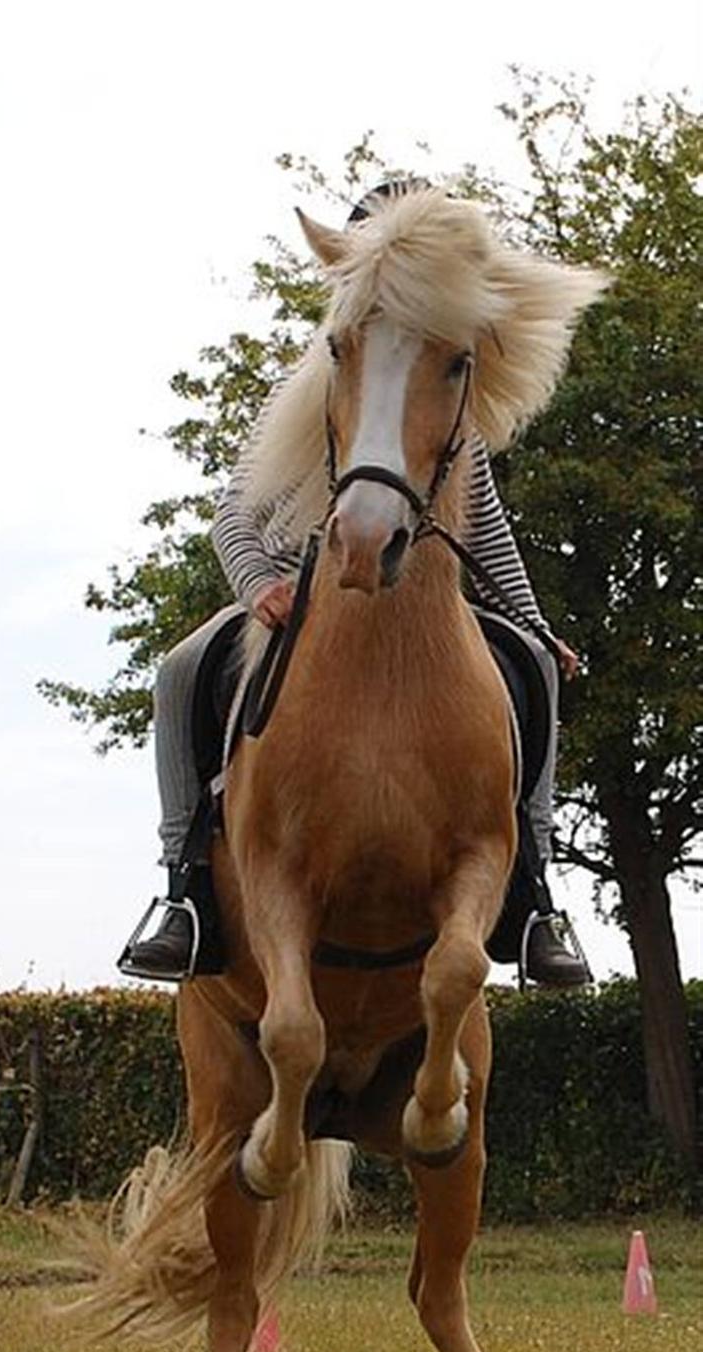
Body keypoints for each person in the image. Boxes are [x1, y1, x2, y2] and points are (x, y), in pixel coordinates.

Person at [120, 186, 590, 989]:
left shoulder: (449, 393)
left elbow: (488, 530)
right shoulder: (312, 382)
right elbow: (235, 512)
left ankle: (538, 890)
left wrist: (532, 622)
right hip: (292, 599)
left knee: (532, 668)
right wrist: (258, 581)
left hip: (421, 604)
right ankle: (185, 884)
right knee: (181, 670)